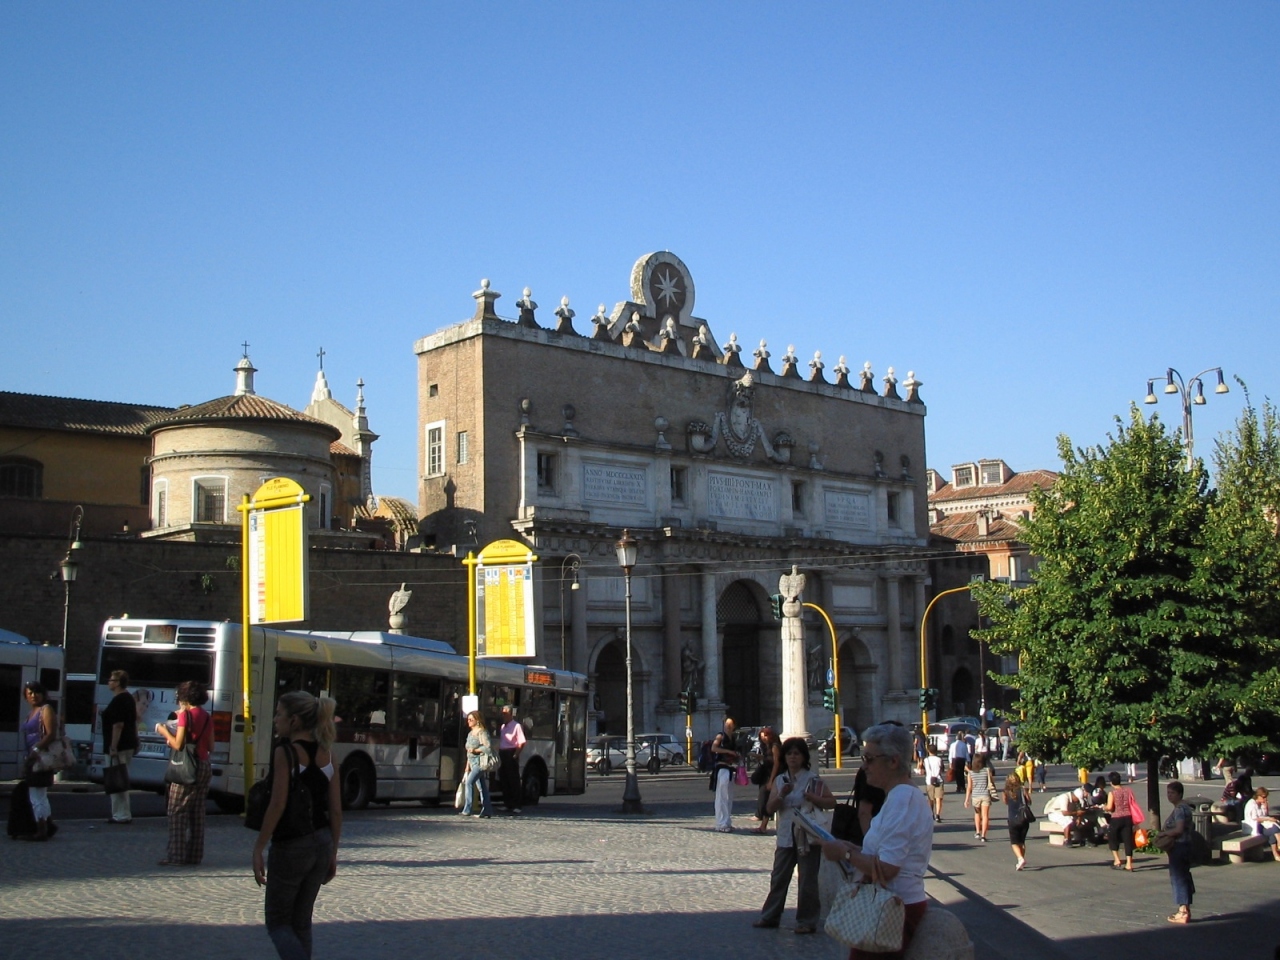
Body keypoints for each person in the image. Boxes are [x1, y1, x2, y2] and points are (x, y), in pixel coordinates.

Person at [821, 723, 933, 960]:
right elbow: (883, 852)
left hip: (892, 908)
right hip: (886, 905)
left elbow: (888, 868)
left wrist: (846, 854)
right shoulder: (897, 797)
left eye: (869, 759)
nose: (864, 766)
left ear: (893, 761)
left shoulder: (902, 799)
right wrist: (854, 848)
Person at [253, 691, 342, 959]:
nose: (275, 719)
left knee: (278, 922)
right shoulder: (328, 755)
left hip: (292, 844)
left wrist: (259, 847)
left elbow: (277, 804)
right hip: (322, 841)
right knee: (301, 922)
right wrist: (333, 852)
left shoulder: (286, 753)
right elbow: (336, 811)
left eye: (279, 713)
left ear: (293, 721)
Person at [752, 738, 835, 934]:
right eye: (789, 753)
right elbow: (769, 808)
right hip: (786, 834)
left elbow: (831, 802)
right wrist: (781, 795)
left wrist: (813, 798)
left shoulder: (812, 779)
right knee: (779, 877)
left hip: (806, 835)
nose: (792, 757)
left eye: (796, 753)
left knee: (807, 879)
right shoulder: (781, 780)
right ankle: (770, 916)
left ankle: (807, 920)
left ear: (804, 757)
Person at [155, 680, 214, 866]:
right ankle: (195, 855)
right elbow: (211, 745)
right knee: (197, 813)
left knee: (177, 812)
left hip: (186, 766)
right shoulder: (206, 716)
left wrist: (163, 731)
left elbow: (178, 744)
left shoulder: (184, 716)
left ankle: (176, 856)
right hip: (204, 764)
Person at [20, 681, 58, 842]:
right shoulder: (31, 712)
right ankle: (48, 825)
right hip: (32, 757)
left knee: (37, 795)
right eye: (30, 693)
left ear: (43, 694)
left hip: (41, 758)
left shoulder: (46, 709)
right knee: (39, 794)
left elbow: (51, 734)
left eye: (36, 692)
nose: (33, 696)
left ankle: (41, 829)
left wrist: (36, 750)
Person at [1155, 780, 1195, 924]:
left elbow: (1179, 829)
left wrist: (1163, 834)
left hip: (1179, 846)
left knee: (1178, 878)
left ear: (1179, 794)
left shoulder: (1180, 809)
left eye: (1172, 793)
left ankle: (1182, 911)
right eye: (1168, 793)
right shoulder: (1185, 807)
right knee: (1184, 876)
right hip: (1185, 845)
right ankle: (1185, 909)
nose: (1169, 796)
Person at [102, 669, 139, 825]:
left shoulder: (119, 700)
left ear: (117, 683)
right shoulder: (129, 698)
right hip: (128, 743)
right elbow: (134, 721)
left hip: (119, 745)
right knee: (121, 777)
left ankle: (121, 814)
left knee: (116, 778)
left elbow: (118, 725)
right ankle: (122, 813)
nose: (109, 682)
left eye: (111, 680)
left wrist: (113, 746)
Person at [460, 710, 495, 819]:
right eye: (468, 719)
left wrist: (476, 750)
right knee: (482, 787)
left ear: (477, 720)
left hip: (480, 763)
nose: (469, 721)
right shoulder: (470, 734)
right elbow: (468, 752)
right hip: (472, 762)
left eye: (471, 719)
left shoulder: (482, 732)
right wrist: (467, 767)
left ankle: (467, 809)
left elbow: (488, 747)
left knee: (469, 782)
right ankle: (487, 810)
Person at [711, 717, 742, 832]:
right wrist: (728, 752)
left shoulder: (733, 738)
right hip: (722, 768)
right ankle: (721, 823)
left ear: (734, 726)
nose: (727, 726)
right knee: (721, 796)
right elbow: (714, 748)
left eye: (730, 724)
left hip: (730, 768)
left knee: (729, 797)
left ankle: (727, 821)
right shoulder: (720, 736)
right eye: (726, 724)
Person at [1105, 770, 1141, 871]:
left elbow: (1109, 807)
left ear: (1111, 782)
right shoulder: (1128, 791)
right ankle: (1129, 864)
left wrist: (1104, 807)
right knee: (1127, 840)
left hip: (1116, 818)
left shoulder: (1112, 793)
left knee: (1112, 838)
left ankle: (1117, 860)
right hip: (1128, 817)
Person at [751, 726, 782, 833]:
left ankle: (763, 826)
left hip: (772, 776)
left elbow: (776, 763)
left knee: (766, 798)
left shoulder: (774, 746)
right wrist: (760, 757)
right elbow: (769, 760)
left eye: (765, 736)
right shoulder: (767, 746)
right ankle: (763, 825)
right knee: (764, 798)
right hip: (767, 775)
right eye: (762, 737)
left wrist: (771, 780)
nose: (763, 739)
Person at [497, 705, 526, 814]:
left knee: (513, 779)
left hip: (511, 752)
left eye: (505, 713)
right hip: (503, 752)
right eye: (502, 713)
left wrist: (516, 754)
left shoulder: (516, 726)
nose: (503, 716)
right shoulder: (503, 726)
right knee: (504, 778)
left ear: (510, 714)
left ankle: (517, 804)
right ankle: (507, 803)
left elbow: (521, 742)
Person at [1003, 773, 1033, 871]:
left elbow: (1005, 802)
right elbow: (1029, 801)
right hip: (1024, 819)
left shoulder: (1006, 791)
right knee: (1022, 842)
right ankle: (1021, 861)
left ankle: (1020, 859)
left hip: (1012, 819)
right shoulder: (1023, 789)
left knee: (1014, 842)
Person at [1243, 787, 1280, 860]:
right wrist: (1268, 819)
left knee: (1273, 831)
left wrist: (1266, 807)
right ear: (1258, 796)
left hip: (1263, 824)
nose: (1265, 799)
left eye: (1266, 797)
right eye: (1263, 797)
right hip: (1254, 826)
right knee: (1274, 829)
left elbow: (1265, 814)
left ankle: (1276, 854)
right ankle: (1279, 844)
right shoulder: (1252, 804)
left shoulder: (1262, 803)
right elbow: (1255, 819)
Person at [964, 752, 995, 842]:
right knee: (985, 816)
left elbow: (969, 787)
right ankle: (983, 836)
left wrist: (966, 800)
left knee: (977, 814)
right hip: (985, 795)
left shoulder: (971, 773)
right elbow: (992, 781)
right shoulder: (987, 770)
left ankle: (978, 831)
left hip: (975, 796)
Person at [923, 742, 945, 823]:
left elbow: (924, 770)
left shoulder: (926, 760)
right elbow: (942, 769)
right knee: (938, 799)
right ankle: (937, 815)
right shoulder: (939, 759)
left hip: (929, 780)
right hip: (938, 780)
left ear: (928, 751)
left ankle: (930, 813)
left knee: (930, 799)